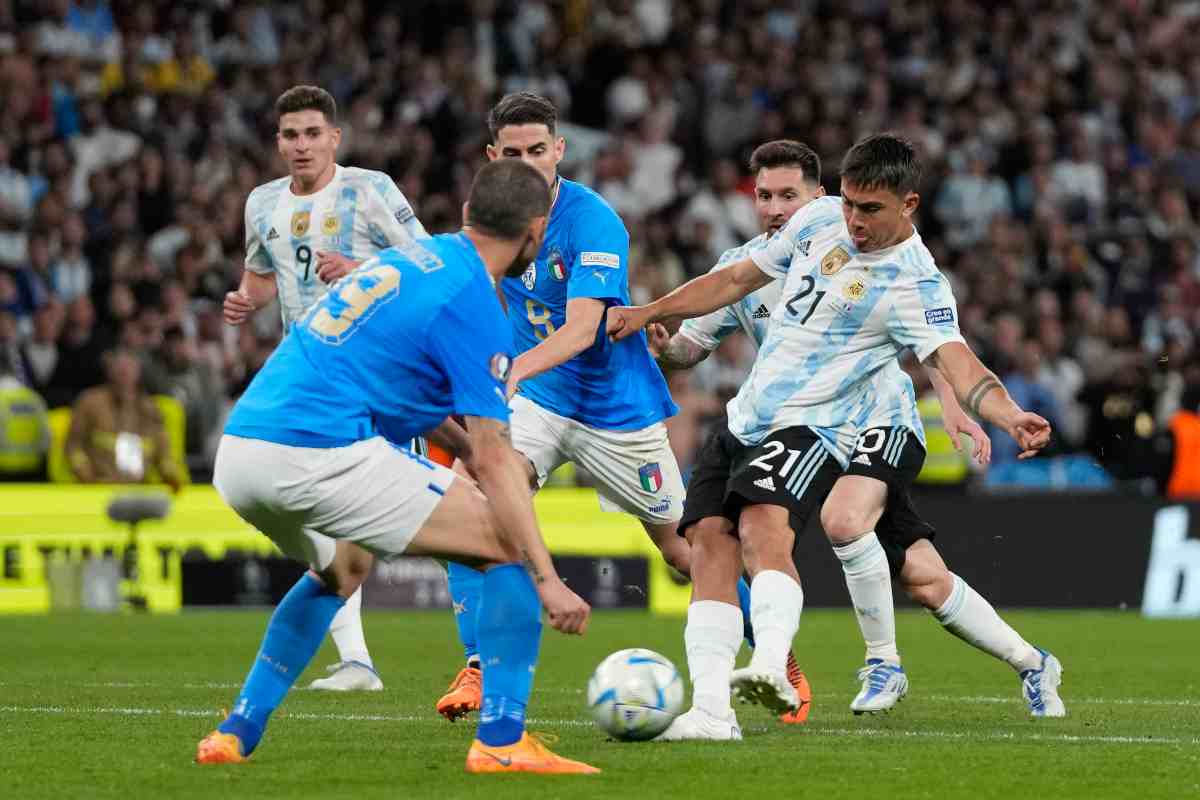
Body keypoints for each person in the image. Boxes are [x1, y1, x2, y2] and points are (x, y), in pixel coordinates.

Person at [608, 133, 1063, 740]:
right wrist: (651, 312)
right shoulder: (819, 219)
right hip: (750, 417)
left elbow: (955, 360)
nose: (854, 221)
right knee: (726, 547)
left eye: (869, 209)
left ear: (909, 204)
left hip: (844, 425)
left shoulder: (917, 285)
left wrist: (1006, 414)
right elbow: (736, 280)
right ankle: (712, 712)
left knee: (804, 524)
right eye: (849, 203)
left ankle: (828, 662)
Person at [197, 159, 598, 775]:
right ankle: (502, 741)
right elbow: (497, 458)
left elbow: (399, 395)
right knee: (506, 544)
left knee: (344, 567)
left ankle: (236, 731)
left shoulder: (408, 260)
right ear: (537, 231)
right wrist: (548, 578)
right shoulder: (475, 302)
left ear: (466, 214)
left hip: (242, 452)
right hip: (317, 449)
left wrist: (463, 449)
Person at [435, 93, 798, 725]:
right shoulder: (491, 217)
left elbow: (583, 329)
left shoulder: (593, 221)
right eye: (513, 153)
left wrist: (510, 371)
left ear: (559, 150)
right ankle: (478, 663)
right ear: (493, 156)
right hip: (539, 401)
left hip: (613, 410)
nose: (527, 163)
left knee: (685, 552)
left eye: (538, 150)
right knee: (470, 495)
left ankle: (776, 656)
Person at [223, 84, 429, 692]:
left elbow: (429, 262)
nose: (302, 145)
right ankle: (357, 661)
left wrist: (362, 269)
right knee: (320, 513)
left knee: (417, 513)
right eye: (291, 135)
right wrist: (246, 300)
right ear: (278, 142)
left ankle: (484, 642)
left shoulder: (370, 189)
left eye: (313, 133)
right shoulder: (262, 203)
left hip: (379, 371)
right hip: (308, 376)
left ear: (334, 138)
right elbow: (263, 276)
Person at [64, 347, 183, 491]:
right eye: (120, 371)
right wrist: (85, 474)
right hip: (98, 487)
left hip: (139, 490)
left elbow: (164, 454)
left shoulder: (150, 409)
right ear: (109, 372)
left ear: (138, 373)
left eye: (129, 370)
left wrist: (169, 472)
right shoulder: (90, 402)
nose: (124, 376)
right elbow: (73, 446)